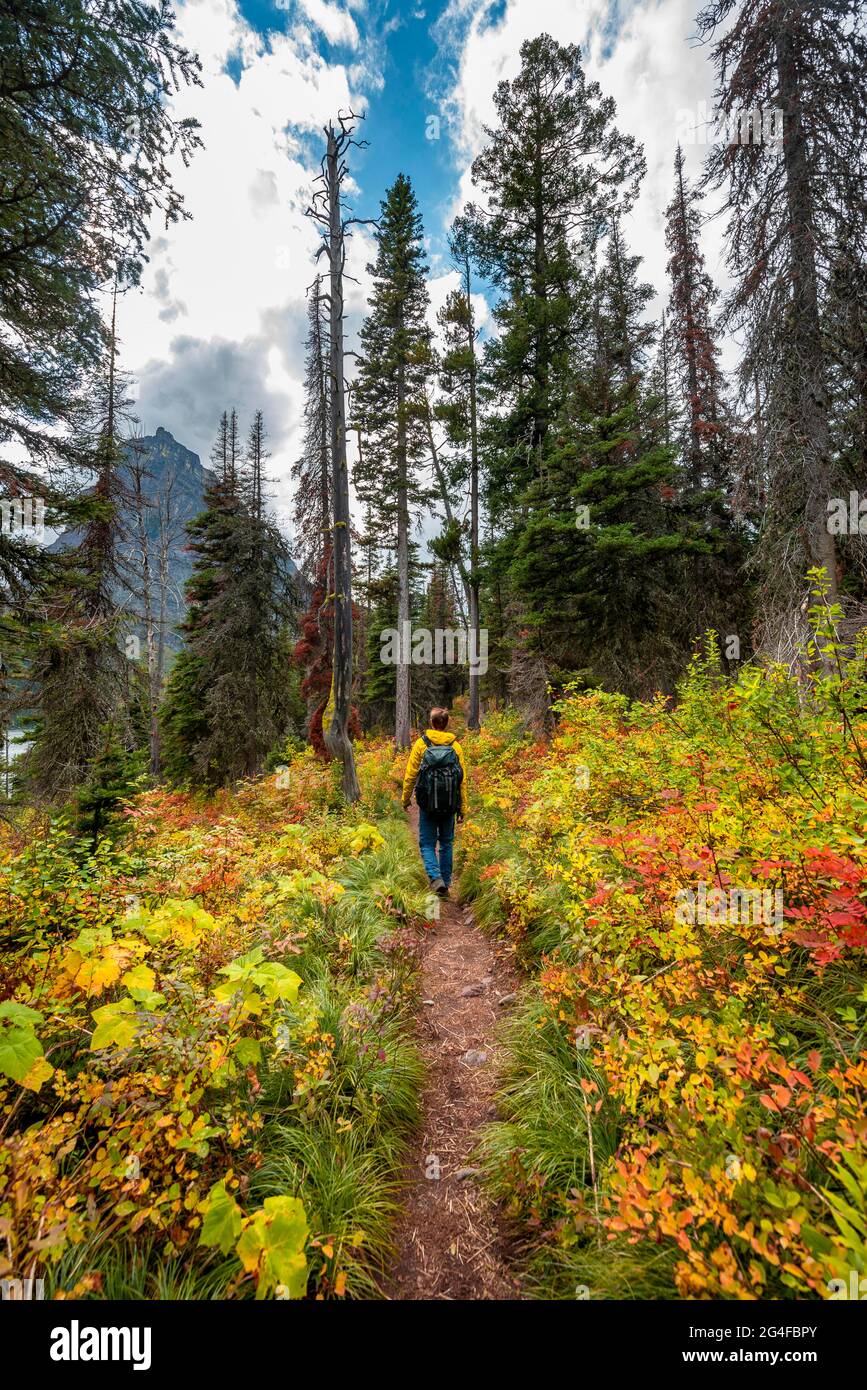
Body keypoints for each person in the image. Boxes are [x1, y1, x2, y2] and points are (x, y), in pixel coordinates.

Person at [401, 707, 467, 897]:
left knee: (427, 843)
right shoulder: (455, 746)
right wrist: (462, 807)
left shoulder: (422, 744)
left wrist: (406, 799)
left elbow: (410, 774)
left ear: (432, 723)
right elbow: (462, 780)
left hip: (427, 804)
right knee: (446, 842)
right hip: (449, 804)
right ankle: (445, 882)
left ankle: (436, 878)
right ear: (446, 724)